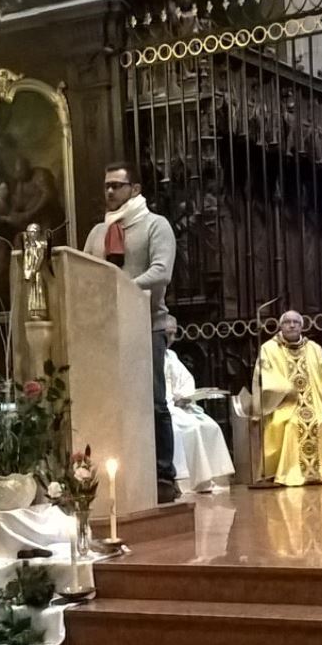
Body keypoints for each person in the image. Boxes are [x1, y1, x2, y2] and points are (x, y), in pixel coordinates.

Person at [83, 161, 178, 503]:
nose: (109, 191)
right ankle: (119, 473)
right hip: (102, 330)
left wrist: (120, 288)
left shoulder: (155, 225)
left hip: (146, 326)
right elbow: (85, 273)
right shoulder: (97, 233)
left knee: (153, 402)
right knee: (110, 404)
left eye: (117, 186)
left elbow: (161, 272)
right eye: (106, 185)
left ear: (134, 189)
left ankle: (164, 474)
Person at [253, 310, 322, 486]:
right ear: (281, 326)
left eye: (296, 322)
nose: (291, 325)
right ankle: (287, 473)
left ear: (302, 326)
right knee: (291, 424)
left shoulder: (313, 348)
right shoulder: (268, 348)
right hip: (284, 403)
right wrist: (285, 388)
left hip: (316, 402)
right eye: (287, 322)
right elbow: (266, 375)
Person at [164, 316, 235, 493]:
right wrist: (174, 399)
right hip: (165, 408)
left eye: (174, 334)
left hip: (178, 405)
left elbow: (185, 380)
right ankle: (192, 482)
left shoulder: (171, 355)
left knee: (210, 426)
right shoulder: (150, 356)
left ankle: (216, 479)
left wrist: (185, 396)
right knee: (191, 429)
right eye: (168, 334)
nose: (172, 339)